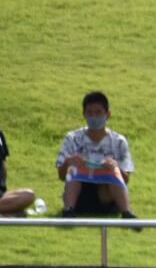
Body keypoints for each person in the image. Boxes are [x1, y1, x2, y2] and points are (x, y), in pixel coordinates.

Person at [57, 91, 137, 220]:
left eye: (98, 112)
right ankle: (69, 210)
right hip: (80, 194)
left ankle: (127, 213)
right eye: (90, 113)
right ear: (84, 114)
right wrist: (69, 161)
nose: (94, 117)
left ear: (108, 114)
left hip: (106, 195)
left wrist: (115, 167)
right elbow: (61, 176)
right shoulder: (72, 138)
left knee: (114, 169)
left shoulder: (119, 141)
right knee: (73, 166)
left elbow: (126, 179)